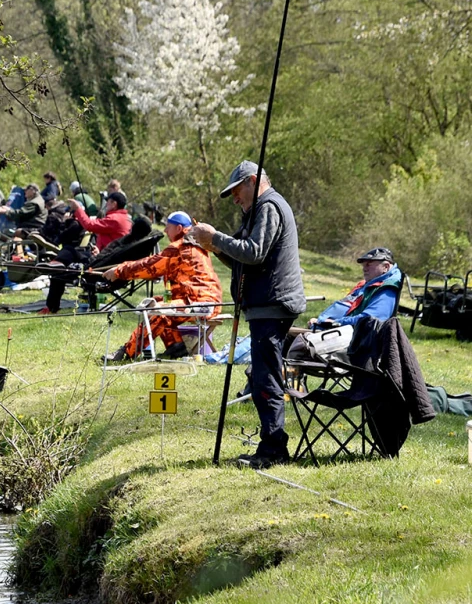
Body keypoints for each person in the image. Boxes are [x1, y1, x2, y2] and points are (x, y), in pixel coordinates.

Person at [187, 160, 306, 469]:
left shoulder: (268, 206)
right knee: (262, 375)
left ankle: (273, 449)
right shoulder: (258, 209)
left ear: (253, 181)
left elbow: (254, 252)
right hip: (265, 303)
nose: (235, 199)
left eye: (237, 191)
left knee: (265, 377)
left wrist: (215, 238)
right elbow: (245, 261)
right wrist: (216, 248)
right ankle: (272, 444)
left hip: (272, 303)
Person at [101, 211, 224, 361]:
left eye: (168, 227)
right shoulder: (193, 244)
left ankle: (127, 353)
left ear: (179, 228)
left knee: (158, 310)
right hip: (203, 301)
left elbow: (150, 265)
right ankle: (176, 347)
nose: (165, 231)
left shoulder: (181, 247)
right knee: (156, 302)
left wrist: (119, 271)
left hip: (203, 304)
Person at [37, 191, 132, 314]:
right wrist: (99, 250)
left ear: (114, 203)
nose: (106, 204)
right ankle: (56, 263)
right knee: (70, 252)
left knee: (59, 272)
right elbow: (113, 241)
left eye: (108, 201)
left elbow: (89, 225)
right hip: (106, 259)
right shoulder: (125, 219)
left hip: (102, 267)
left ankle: (51, 307)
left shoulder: (115, 219)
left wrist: (78, 209)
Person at [309, 247, 402, 329]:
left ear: (385, 267)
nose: (364, 268)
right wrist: (321, 320)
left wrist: (336, 323)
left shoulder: (387, 289)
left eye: (369, 264)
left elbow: (370, 320)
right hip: (329, 329)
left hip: (349, 339)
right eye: (364, 265)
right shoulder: (366, 284)